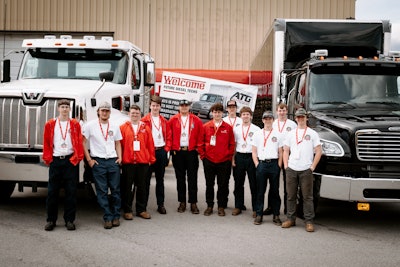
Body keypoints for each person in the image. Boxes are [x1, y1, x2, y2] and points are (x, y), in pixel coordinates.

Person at [42, 99, 84, 231]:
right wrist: (48, 159)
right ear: (58, 109)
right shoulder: (50, 124)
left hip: (70, 161)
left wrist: (76, 159)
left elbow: (79, 141)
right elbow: (46, 141)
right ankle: (51, 220)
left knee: (71, 192)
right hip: (56, 160)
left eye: (67, 107)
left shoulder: (75, 124)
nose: (65, 109)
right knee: (52, 192)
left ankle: (69, 220)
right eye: (62, 107)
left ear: (69, 109)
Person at [83, 102, 123, 229]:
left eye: (107, 110)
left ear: (110, 113)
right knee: (102, 191)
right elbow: (83, 142)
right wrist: (89, 159)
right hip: (98, 162)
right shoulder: (90, 126)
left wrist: (120, 157)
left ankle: (116, 216)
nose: (104, 113)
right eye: (102, 110)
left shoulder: (115, 126)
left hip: (112, 161)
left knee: (116, 189)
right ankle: (108, 216)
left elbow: (117, 143)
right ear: (98, 112)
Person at [281, 108, 322, 232]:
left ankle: (309, 221)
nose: (300, 119)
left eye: (302, 117)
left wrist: (312, 167)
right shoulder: (291, 133)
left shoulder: (312, 133)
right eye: (298, 117)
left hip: (306, 169)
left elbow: (319, 151)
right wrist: (286, 166)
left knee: (307, 197)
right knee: (291, 196)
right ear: (296, 118)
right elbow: (286, 150)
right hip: (292, 168)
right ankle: (290, 219)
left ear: (306, 118)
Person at [199, 102, 235, 216]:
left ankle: (221, 206)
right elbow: (200, 143)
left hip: (224, 161)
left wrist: (228, 156)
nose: (217, 114)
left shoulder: (228, 128)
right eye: (215, 112)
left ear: (222, 113)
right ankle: (209, 206)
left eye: (219, 112)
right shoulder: (206, 126)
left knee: (222, 185)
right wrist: (203, 156)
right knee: (209, 184)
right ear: (212, 113)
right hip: (209, 160)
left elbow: (232, 144)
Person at [120, 104, 156, 220]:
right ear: (129, 114)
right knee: (127, 187)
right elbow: (120, 145)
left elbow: (150, 144)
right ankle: (127, 210)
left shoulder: (146, 128)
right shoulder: (123, 127)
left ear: (140, 115)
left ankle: (141, 209)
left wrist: (151, 159)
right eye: (132, 113)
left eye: (137, 113)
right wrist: (121, 158)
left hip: (143, 162)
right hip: (128, 162)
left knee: (142, 187)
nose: (134, 115)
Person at [168, 99, 203, 214]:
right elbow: (169, 135)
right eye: (182, 105)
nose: (184, 107)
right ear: (179, 107)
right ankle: (182, 202)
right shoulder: (173, 119)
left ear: (189, 107)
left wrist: (197, 148)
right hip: (178, 152)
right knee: (180, 178)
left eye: (186, 105)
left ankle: (193, 203)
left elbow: (200, 135)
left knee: (192, 178)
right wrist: (170, 149)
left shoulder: (196, 120)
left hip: (191, 152)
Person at [264, 103, 297, 216]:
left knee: (288, 184)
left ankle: (288, 209)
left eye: (284, 110)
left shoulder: (292, 124)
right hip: (276, 155)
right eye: (280, 110)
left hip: (288, 155)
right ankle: (270, 207)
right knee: (273, 183)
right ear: (277, 112)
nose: (282, 112)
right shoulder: (272, 123)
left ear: (286, 111)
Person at [251, 111, 283, 225]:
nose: (268, 120)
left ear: (273, 120)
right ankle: (259, 214)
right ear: (263, 120)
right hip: (262, 164)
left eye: (270, 118)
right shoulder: (257, 134)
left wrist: (279, 165)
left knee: (275, 191)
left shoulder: (278, 134)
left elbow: (281, 151)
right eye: (266, 118)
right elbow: (254, 151)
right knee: (260, 191)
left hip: (274, 164)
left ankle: (276, 215)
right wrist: (257, 164)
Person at [141, 95, 171, 214]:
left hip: (160, 151)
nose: (155, 108)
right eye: (153, 105)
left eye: (157, 106)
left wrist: (166, 149)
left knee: (160, 179)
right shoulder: (144, 120)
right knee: (145, 180)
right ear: (150, 106)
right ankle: (143, 206)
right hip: (149, 152)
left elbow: (168, 136)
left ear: (160, 107)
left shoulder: (164, 121)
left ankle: (161, 204)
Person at [232, 106, 260, 217]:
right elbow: (234, 145)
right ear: (241, 116)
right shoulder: (236, 129)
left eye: (247, 114)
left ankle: (255, 208)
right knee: (238, 183)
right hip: (239, 156)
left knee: (254, 184)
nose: (245, 116)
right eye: (243, 114)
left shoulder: (256, 129)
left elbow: (258, 146)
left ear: (251, 116)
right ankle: (238, 206)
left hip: (251, 157)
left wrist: (257, 160)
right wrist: (233, 158)